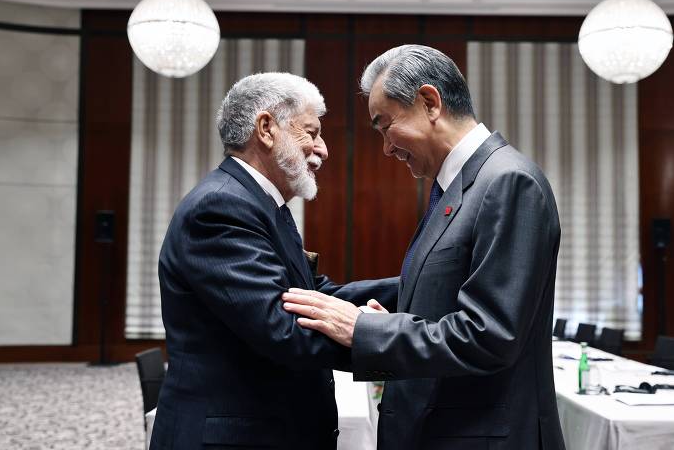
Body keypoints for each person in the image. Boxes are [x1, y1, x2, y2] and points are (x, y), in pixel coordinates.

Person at [282, 45, 565, 449]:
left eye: (384, 126)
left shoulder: (507, 181)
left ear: (430, 102)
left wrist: (368, 330)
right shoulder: (461, 185)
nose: (386, 149)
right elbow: (441, 292)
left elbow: (491, 335)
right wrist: (371, 312)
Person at [150, 72, 397, 450]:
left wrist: (416, 284)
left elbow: (314, 294)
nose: (324, 149)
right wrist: (389, 340)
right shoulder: (221, 206)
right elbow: (283, 332)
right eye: (312, 133)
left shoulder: (261, 204)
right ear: (266, 128)